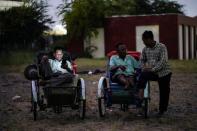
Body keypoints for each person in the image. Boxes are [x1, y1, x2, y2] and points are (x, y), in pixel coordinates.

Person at [137, 30, 172, 116]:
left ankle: (162, 110)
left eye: (144, 40)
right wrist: (143, 68)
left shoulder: (162, 47)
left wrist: (152, 69)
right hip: (151, 71)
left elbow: (163, 61)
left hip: (164, 72)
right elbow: (141, 60)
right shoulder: (145, 49)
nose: (143, 42)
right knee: (142, 76)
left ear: (149, 39)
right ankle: (140, 99)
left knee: (164, 91)